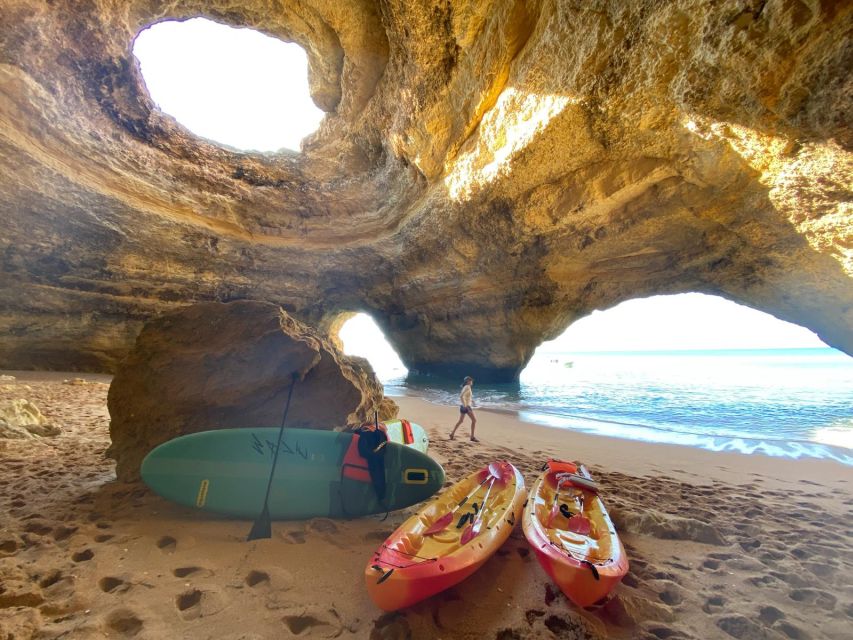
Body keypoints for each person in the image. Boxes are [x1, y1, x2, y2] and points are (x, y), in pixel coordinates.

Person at [449, 376, 478, 442]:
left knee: (461, 421)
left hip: (462, 406)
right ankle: (472, 437)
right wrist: (466, 405)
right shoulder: (467, 387)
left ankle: (452, 434)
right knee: (474, 420)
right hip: (466, 407)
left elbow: (465, 396)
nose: (472, 382)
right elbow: (461, 396)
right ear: (468, 381)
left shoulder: (465, 387)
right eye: (471, 381)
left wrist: (471, 400)